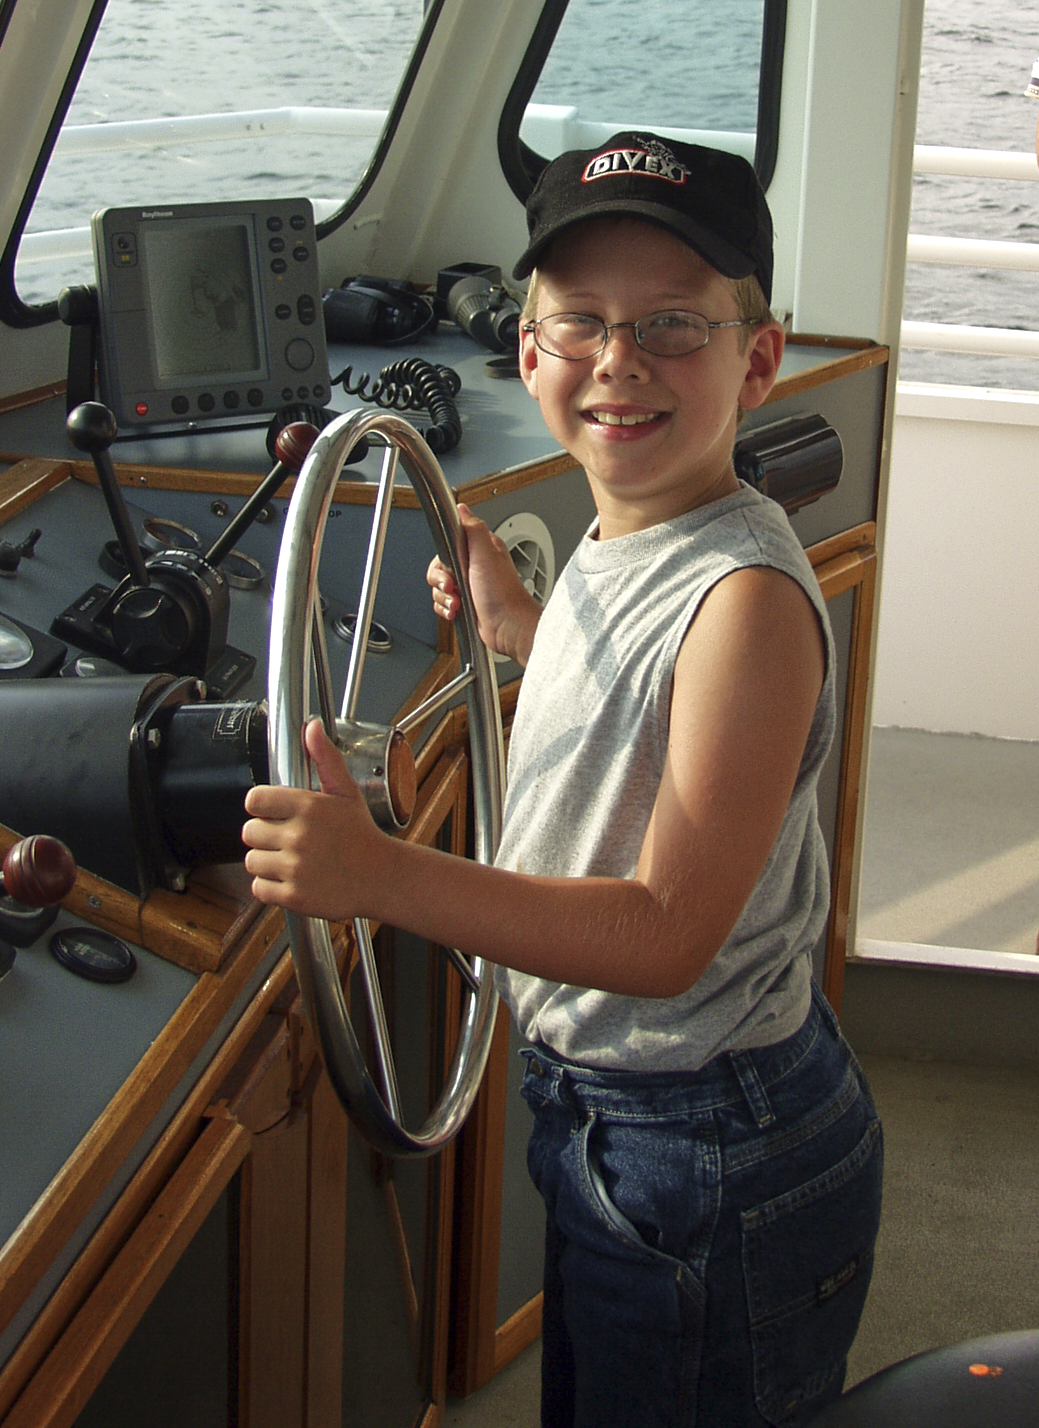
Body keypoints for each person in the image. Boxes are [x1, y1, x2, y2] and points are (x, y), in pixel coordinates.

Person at [242, 131, 883, 1427]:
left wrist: (377, 875)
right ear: (528, 352)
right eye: (578, 322)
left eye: (672, 326)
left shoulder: (747, 604)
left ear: (758, 360)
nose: (619, 361)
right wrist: (525, 630)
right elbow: (640, 713)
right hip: (621, 1119)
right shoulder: (633, 521)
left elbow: (662, 935)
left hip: (709, 1147)